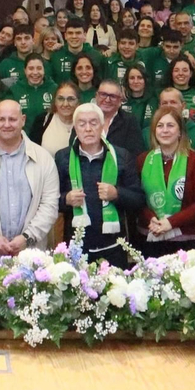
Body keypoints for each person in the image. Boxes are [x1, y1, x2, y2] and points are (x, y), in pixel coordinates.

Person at [0, 100, 61, 261]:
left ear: (23, 120)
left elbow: (49, 204)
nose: (7, 124)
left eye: (12, 119)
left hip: (31, 255)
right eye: (1, 119)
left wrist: (27, 238)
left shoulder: (43, 158)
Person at [56, 103, 143, 267]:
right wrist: (65, 199)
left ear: (102, 126)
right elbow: (50, 201)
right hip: (77, 246)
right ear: (75, 127)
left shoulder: (121, 156)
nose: (88, 129)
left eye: (93, 123)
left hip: (114, 246)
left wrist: (117, 193)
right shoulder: (62, 157)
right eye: (82, 124)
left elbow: (138, 199)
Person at [134, 107, 195, 256]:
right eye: (160, 125)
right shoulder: (143, 160)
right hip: (150, 237)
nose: (165, 130)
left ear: (180, 131)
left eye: (170, 125)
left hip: (186, 241)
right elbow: (138, 199)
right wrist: (152, 219)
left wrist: (171, 222)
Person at [32, 83, 79, 154]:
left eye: (71, 99)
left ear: (78, 102)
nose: (65, 104)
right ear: (55, 102)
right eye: (60, 99)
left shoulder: (84, 123)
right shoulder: (42, 120)